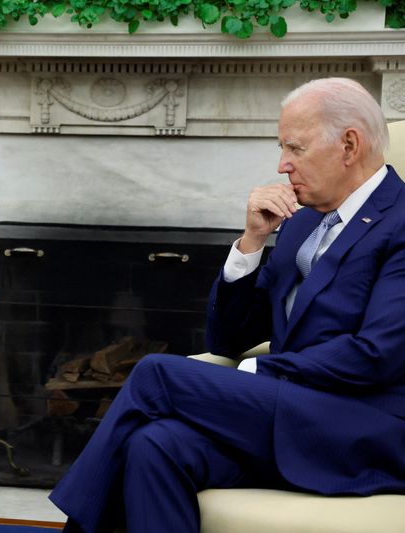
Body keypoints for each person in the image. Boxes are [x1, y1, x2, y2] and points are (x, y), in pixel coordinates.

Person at [49, 77, 405, 532]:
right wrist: (252, 242)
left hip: (364, 430)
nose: (282, 166)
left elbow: (376, 355)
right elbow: (229, 337)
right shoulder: (298, 224)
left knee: (155, 371)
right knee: (155, 443)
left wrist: (260, 372)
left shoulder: (399, 223)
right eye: (282, 149)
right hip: (285, 417)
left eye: (295, 148)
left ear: (349, 145)